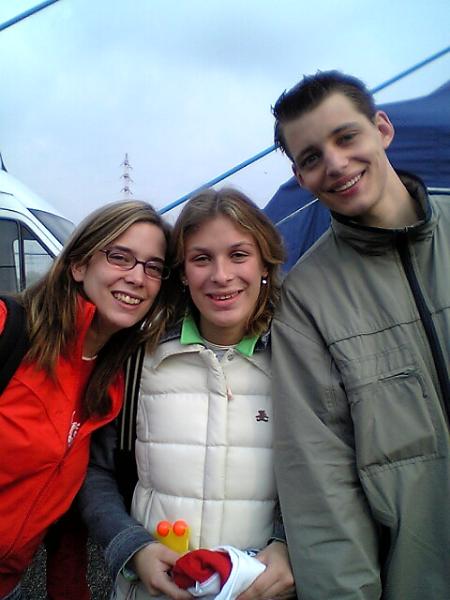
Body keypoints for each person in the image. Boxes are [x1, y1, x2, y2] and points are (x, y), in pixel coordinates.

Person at [270, 70, 450, 599]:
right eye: (311, 158)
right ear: (300, 177)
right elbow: (321, 488)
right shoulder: (306, 299)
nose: (335, 164)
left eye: (346, 137)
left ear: (382, 129)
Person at [79, 188, 295, 600]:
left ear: (265, 264)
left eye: (238, 255)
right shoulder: (139, 360)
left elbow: (329, 474)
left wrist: (289, 543)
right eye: (201, 258)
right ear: (181, 273)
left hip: (256, 591)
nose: (221, 275)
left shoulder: (299, 363)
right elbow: (95, 471)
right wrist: (132, 547)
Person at [0, 200, 172, 600]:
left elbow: (65, 500)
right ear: (79, 265)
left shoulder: (114, 379)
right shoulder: (9, 329)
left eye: (153, 267)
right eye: (120, 257)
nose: (137, 277)